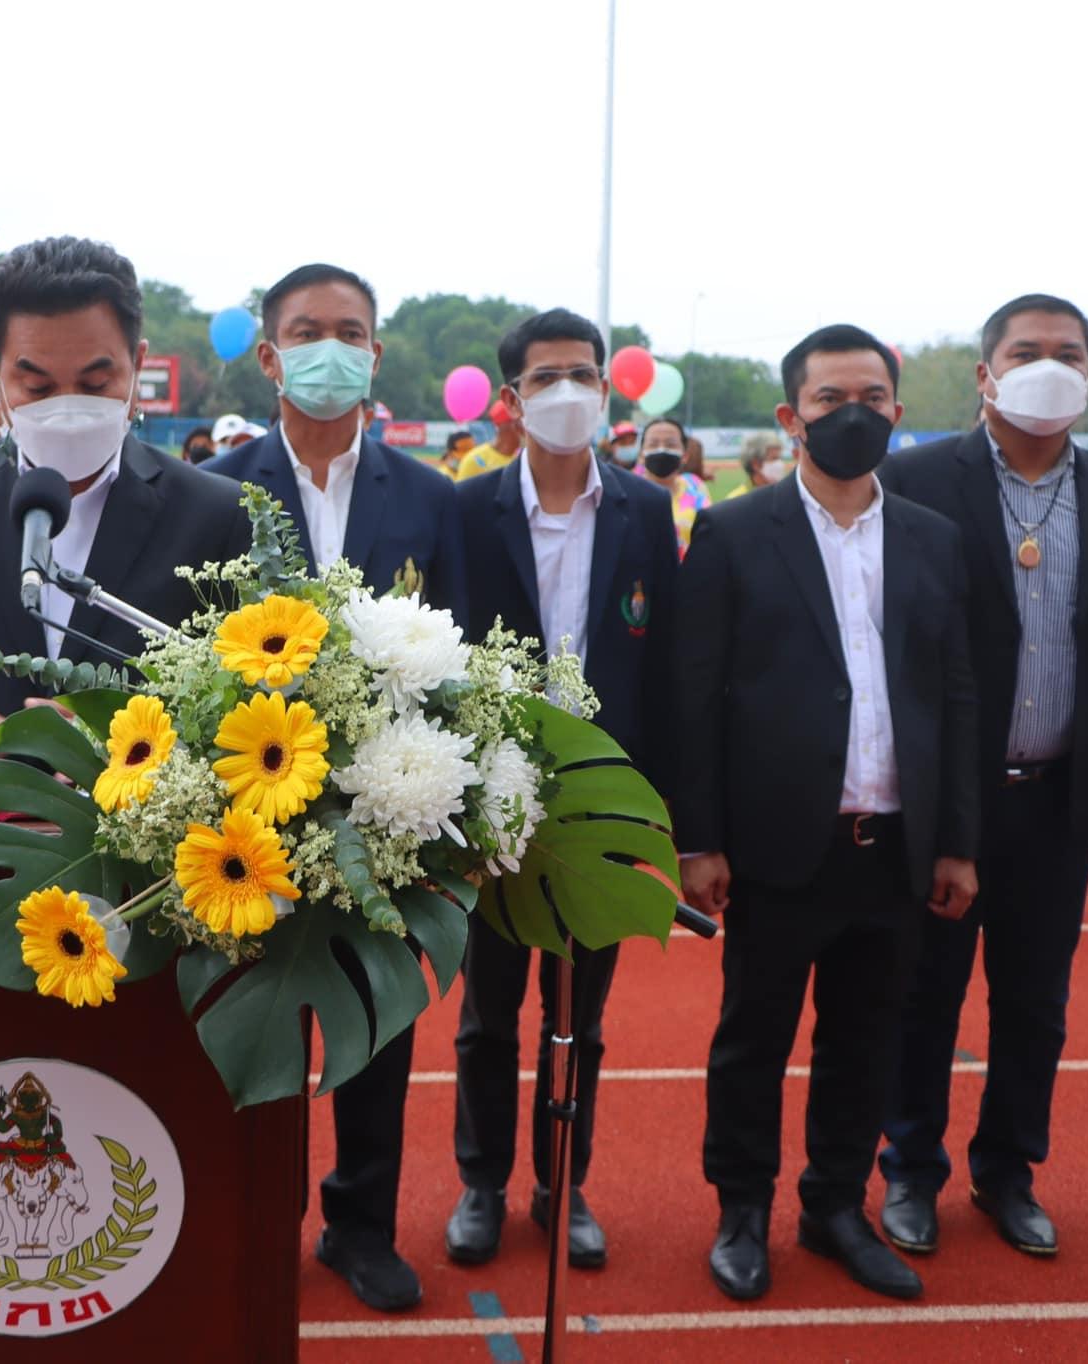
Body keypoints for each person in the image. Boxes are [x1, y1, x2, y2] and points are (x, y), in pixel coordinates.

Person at [680, 323, 979, 1303]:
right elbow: (697, 694)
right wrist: (698, 838)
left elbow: (956, 694)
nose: (853, 415)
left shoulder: (933, 537)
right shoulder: (733, 532)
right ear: (790, 416)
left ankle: (835, 1205)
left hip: (893, 845)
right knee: (752, 1040)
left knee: (866, 1041)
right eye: (828, 399)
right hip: (778, 847)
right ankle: (740, 1208)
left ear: (897, 409)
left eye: (871, 398)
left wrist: (956, 842)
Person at [202, 262, 466, 1314]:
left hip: (381, 815)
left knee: (372, 1031)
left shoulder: (433, 499)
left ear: (376, 353)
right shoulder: (212, 489)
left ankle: (361, 1227)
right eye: (307, 331)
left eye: (349, 332)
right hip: (245, 809)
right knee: (251, 1024)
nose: (330, 349)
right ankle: (249, 1220)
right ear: (269, 356)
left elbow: (462, 661)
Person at [876, 294, 1088, 1261]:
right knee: (926, 995)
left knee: (1036, 1004)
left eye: (1068, 353)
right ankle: (910, 1170)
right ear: (985, 374)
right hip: (946, 800)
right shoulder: (913, 480)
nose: (1049, 366)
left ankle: (1008, 1171)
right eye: (1026, 350)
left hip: (1059, 795)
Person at [0, 236, 251, 785]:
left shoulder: (216, 514)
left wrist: (134, 741)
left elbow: (245, 695)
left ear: (138, 367)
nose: (67, 408)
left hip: (146, 832)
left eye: (95, 384)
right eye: (37, 387)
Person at [446, 309, 679, 1273]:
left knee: (578, 1016)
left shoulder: (643, 511)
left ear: (608, 389)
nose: (568, 392)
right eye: (546, 377)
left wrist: (657, 812)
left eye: (583, 373)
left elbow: (665, 664)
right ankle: (481, 1183)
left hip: (601, 805)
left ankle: (562, 1184)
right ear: (511, 399)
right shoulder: (466, 509)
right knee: (487, 1016)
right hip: (493, 804)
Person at [636, 417, 710, 556]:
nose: (662, 449)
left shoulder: (695, 485)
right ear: (641, 454)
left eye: (671, 444)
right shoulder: (627, 491)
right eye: (653, 444)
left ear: (685, 455)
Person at [453, 398, 524, 481]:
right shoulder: (474, 460)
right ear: (506, 425)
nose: (526, 428)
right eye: (521, 421)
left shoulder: (525, 461)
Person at [728, 433, 788, 499]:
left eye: (780, 459)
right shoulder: (737, 500)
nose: (780, 464)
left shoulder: (786, 496)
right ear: (756, 464)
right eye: (774, 458)